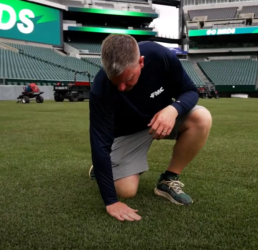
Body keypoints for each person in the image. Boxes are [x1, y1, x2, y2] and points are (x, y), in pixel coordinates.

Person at [89, 34, 212, 222]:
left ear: (141, 62)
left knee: (201, 117)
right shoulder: (100, 88)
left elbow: (190, 91)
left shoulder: (159, 55)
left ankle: (168, 180)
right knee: (126, 191)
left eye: (128, 78)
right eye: (116, 81)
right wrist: (111, 201)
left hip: (163, 118)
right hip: (128, 132)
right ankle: (106, 167)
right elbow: (99, 145)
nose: (121, 87)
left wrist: (173, 109)